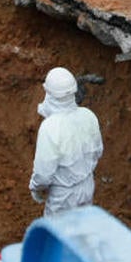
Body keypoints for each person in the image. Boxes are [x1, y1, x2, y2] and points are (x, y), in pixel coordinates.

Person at [29, 67, 103, 216]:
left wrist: (36, 187)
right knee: (82, 229)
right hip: (87, 186)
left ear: (48, 92)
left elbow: (44, 173)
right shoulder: (88, 115)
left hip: (63, 195)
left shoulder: (50, 127)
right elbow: (98, 151)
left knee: (59, 234)